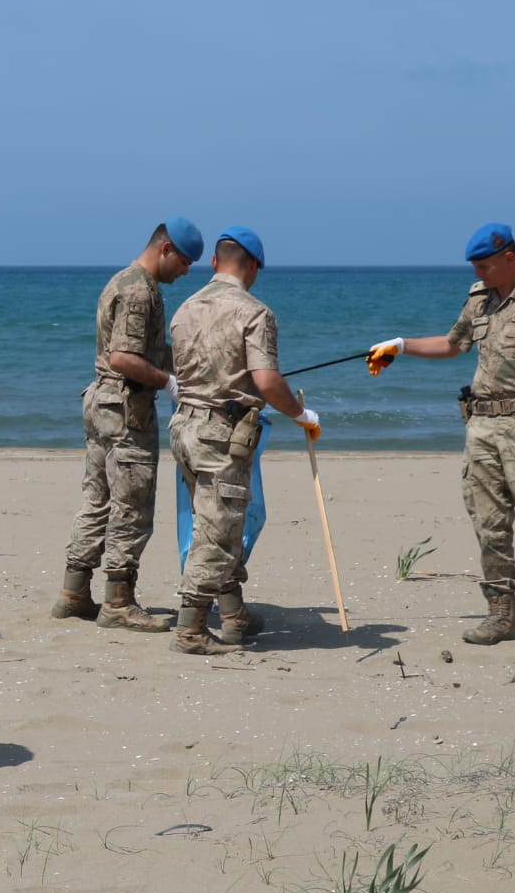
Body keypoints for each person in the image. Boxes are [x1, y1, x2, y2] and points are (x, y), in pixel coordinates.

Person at [365, 223, 515, 650]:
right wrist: (400, 345)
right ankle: (500, 614)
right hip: (482, 425)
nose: (479, 272)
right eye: (475, 266)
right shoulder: (479, 301)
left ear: (510, 257)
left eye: (485, 264)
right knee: (490, 526)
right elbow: (453, 345)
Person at [166, 227, 323, 655]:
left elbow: (181, 375)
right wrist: (300, 414)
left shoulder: (183, 309)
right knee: (217, 531)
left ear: (215, 263)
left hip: (184, 427)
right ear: (253, 266)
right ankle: (191, 629)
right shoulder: (255, 312)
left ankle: (234, 615)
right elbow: (267, 380)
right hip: (220, 434)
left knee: (216, 521)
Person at [52, 217, 205, 630]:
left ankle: (74, 591)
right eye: (186, 262)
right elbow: (124, 358)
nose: (187, 271)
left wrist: (186, 368)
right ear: (166, 248)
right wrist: (168, 383)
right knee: (132, 507)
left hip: (101, 402)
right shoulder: (140, 290)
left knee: (96, 500)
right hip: (125, 409)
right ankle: (118, 600)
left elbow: (146, 349)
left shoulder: (122, 280)